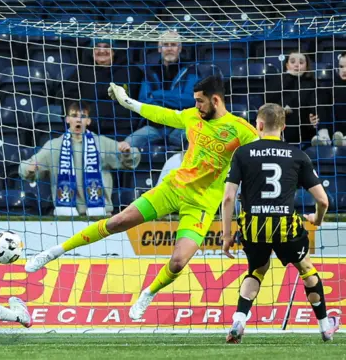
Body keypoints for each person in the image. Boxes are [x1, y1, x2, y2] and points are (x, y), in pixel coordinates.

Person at [25, 76, 259, 322]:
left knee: (179, 262)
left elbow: (262, 155)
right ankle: (54, 251)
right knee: (118, 222)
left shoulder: (241, 130)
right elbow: (160, 114)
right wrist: (127, 102)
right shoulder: (192, 116)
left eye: (200, 102)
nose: (197, 106)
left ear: (215, 100)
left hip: (202, 204)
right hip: (172, 189)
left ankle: (148, 292)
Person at [221, 103, 339, 343]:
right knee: (306, 269)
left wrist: (226, 236)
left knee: (256, 270)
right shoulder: (298, 155)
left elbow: (228, 198)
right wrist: (317, 219)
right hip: (286, 226)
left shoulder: (242, 153)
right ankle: (325, 327)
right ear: (283, 127)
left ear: (259, 125)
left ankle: (238, 321)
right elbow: (323, 200)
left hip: (253, 227)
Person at [19, 101, 140, 216]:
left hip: (100, 216)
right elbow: (25, 168)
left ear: (88, 121)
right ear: (67, 119)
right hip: (67, 219)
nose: (78, 119)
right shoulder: (54, 146)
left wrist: (128, 152)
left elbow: (131, 161)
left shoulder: (101, 143)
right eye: (74, 115)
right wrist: (29, 169)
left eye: (83, 116)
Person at [61, 39, 144, 137]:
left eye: (106, 46)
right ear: (92, 51)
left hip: (122, 130)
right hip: (89, 129)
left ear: (113, 51)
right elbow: (68, 99)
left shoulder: (132, 71)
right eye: (97, 47)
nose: (102, 51)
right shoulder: (80, 72)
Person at [127, 30, 195, 149]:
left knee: (196, 143)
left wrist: (157, 95)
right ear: (159, 49)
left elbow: (190, 100)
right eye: (165, 45)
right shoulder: (150, 72)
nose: (169, 48)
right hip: (154, 126)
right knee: (127, 144)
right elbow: (144, 100)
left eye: (173, 45)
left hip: (180, 126)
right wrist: (174, 98)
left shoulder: (191, 70)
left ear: (180, 48)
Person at [266, 51, 329, 146]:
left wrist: (311, 119)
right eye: (292, 62)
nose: (296, 65)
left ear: (307, 66)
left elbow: (319, 104)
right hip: (284, 123)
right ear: (287, 65)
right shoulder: (278, 80)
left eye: (301, 62)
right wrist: (288, 77)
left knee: (316, 98)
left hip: (307, 126)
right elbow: (269, 99)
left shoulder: (312, 84)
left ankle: (323, 135)